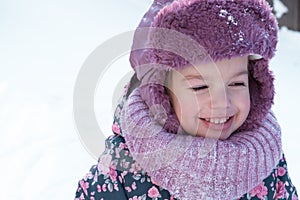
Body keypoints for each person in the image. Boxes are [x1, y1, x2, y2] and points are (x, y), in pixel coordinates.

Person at [75, 0, 298, 199]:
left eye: (237, 84)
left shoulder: (263, 152)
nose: (222, 103)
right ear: (161, 94)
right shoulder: (127, 166)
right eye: (200, 86)